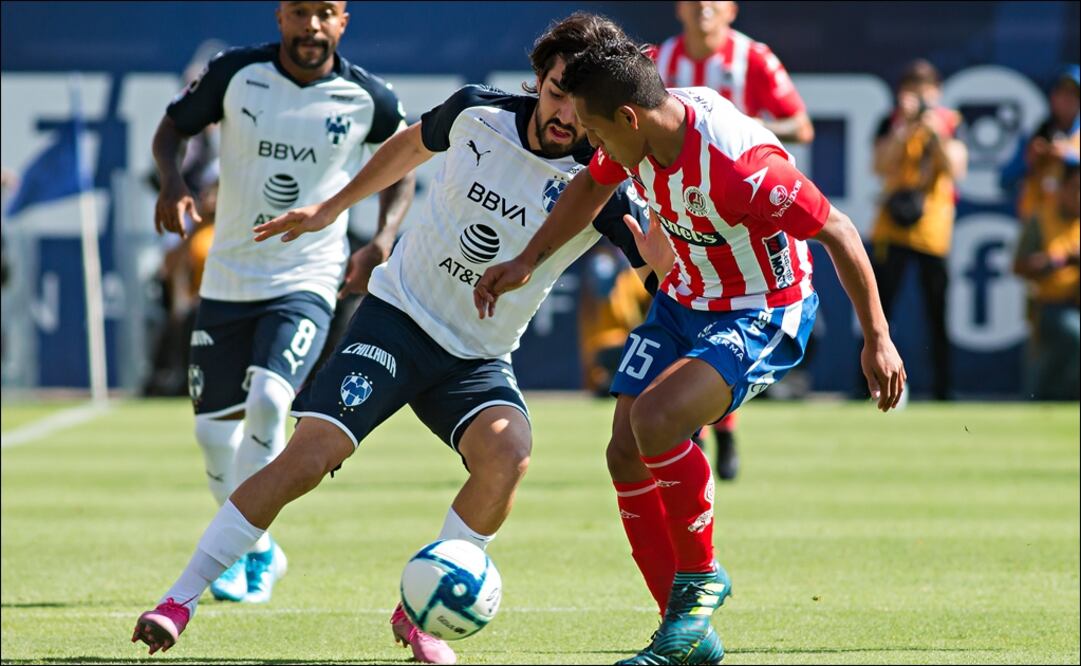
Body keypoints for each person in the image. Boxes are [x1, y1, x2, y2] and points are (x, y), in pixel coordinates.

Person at [132, 13, 657, 664]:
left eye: (578, 103)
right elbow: (407, 149)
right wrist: (336, 211)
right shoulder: (477, 114)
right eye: (554, 92)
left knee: (509, 455)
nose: (564, 114)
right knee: (307, 456)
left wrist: (678, 281)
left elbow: (653, 265)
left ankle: (421, 615)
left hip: (476, 355)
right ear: (538, 81)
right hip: (398, 318)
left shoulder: (601, 182)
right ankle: (178, 599)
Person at [474, 35, 905, 664]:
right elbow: (589, 190)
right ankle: (686, 635)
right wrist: (526, 258)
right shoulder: (633, 129)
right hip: (685, 297)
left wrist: (879, 338)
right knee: (624, 451)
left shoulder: (742, 169)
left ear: (627, 118)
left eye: (596, 132)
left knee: (657, 419)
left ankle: (700, 580)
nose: (591, 146)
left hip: (763, 309)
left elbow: (838, 230)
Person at [147, 0, 414, 607]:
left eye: (325, 13)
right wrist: (173, 181)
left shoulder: (368, 96)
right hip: (229, 278)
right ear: (280, 17)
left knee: (270, 399)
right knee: (213, 436)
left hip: (307, 275)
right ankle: (260, 547)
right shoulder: (234, 74)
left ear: (342, 22)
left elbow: (403, 165)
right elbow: (172, 128)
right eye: (300, 12)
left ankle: (243, 548)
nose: (312, 26)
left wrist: (381, 237)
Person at [651, 0, 816, 479]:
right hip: (677, 211)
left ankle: (718, 430)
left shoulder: (754, 59)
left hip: (741, 213)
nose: (704, 8)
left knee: (731, 311)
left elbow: (800, 125)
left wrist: (736, 131)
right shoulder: (660, 60)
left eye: (714, 0)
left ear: (731, 9)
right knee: (685, 312)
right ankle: (698, 433)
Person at [865, 59, 966, 401]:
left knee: (937, 313)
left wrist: (934, 130)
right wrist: (904, 128)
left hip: (932, 230)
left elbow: (956, 168)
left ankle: (943, 388)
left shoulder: (949, 123)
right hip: (892, 228)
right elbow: (879, 165)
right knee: (878, 311)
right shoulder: (890, 122)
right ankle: (865, 383)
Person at [1013, 157, 1080, 400]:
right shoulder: (1041, 219)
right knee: (1073, 332)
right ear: (1062, 188)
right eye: (1075, 189)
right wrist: (1060, 260)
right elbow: (1019, 266)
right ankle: (1042, 398)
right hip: (1050, 306)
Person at [1001, 66, 1080, 221]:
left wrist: (1067, 157)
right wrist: (1028, 161)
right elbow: (1004, 182)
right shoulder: (1036, 136)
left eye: (1074, 94)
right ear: (1053, 97)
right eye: (1062, 93)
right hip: (1037, 231)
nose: (1067, 99)